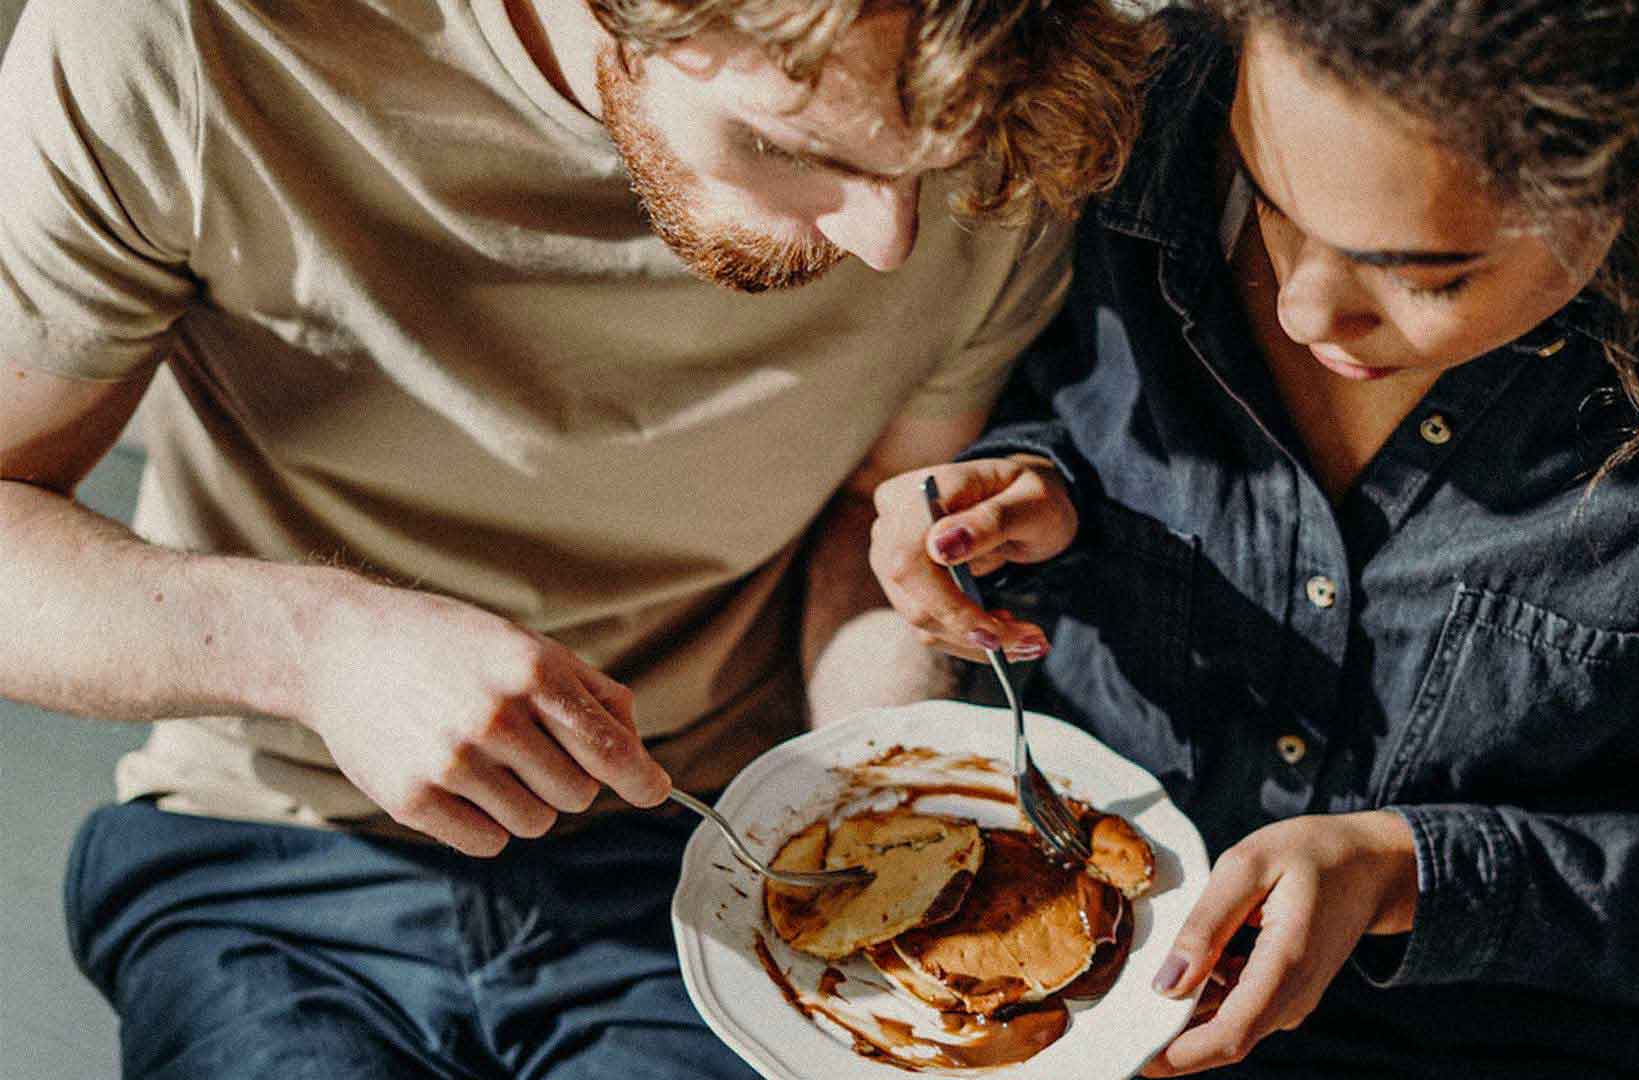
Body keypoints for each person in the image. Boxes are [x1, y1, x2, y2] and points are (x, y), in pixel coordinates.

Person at [0, 0, 1154, 1075]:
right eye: (802, 148)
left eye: (927, 172)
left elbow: (871, 513)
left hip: (705, 861)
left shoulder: (995, 111)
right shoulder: (182, 38)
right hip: (270, 853)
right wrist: (315, 645)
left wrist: (877, 767)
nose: (890, 239)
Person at [868, 1, 1639, 1076]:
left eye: (1425, 275)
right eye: (1264, 203)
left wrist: (1404, 871)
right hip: (1041, 990)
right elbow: (1073, 406)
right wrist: (1035, 484)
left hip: (1496, 1040)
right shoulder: (1140, 124)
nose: (1306, 311)